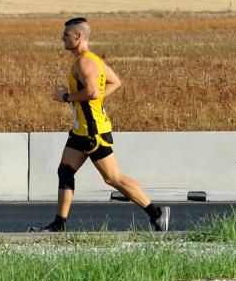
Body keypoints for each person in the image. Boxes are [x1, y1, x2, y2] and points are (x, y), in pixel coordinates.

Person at [29, 18, 170, 233]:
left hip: (94, 132)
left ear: (78, 37)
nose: (62, 38)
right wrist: (94, 103)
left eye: (66, 35)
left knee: (112, 178)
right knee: (65, 171)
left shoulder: (85, 63)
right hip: (81, 130)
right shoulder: (94, 60)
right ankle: (59, 224)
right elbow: (115, 82)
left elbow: (93, 91)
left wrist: (67, 97)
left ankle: (156, 213)